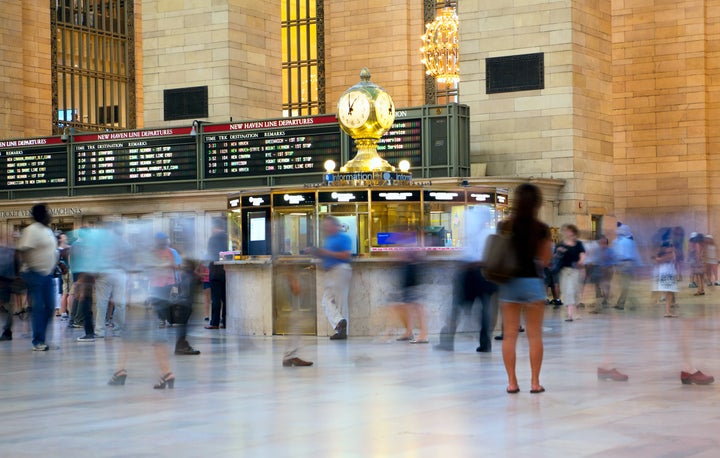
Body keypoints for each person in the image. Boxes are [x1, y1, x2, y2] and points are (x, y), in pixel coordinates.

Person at [497, 184, 552, 394]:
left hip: (509, 283)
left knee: (510, 335)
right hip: (532, 283)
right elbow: (546, 260)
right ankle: (535, 383)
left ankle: (512, 382)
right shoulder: (541, 228)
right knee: (534, 335)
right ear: (537, 203)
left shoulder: (504, 226)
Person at [436, 205, 498, 352]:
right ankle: (485, 342)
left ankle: (448, 340)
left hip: (472, 273)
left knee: (457, 307)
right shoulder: (489, 233)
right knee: (483, 309)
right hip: (483, 275)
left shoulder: (479, 232)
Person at [17, 204, 59, 351]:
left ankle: (42, 339)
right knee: (39, 307)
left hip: (47, 274)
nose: (50, 215)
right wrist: (25, 270)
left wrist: (58, 263)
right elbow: (22, 251)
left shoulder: (47, 230)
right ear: (41, 215)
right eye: (48, 212)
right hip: (34, 273)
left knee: (50, 307)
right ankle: (38, 341)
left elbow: (51, 250)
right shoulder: (31, 230)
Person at [310, 215, 352, 340]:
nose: (325, 228)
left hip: (340, 270)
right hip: (331, 272)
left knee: (340, 302)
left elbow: (345, 254)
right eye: (324, 226)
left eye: (327, 225)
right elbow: (327, 255)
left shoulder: (344, 237)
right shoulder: (328, 239)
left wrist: (327, 252)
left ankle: (342, 331)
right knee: (326, 301)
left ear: (335, 226)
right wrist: (316, 252)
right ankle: (340, 323)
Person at [555, 224, 585, 322]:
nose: (566, 232)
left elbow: (582, 256)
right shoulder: (560, 244)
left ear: (573, 232)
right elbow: (555, 257)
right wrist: (559, 252)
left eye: (568, 230)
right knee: (567, 291)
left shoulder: (578, 244)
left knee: (572, 291)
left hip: (574, 271)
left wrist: (581, 262)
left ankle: (571, 314)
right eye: (565, 231)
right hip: (563, 271)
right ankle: (571, 313)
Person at [612, 224, 641, 310]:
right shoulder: (631, 242)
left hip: (623, 264)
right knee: (625, 285)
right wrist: (639, 266)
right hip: (630, 264)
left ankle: (632, 303)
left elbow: (617, 255)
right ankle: (621, 303)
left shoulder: (618, 242)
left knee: (625, 286)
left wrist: (616, 266)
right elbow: (636, 254)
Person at [205, 220, 227, 330]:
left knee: (216, 298)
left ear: (214, 227)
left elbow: (209, 255)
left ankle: (214, 322)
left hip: (215, 271)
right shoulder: (228, 237)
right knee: (226, 298)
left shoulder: (213, 239)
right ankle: (225, 322)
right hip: (227, 271)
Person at [652, 241, 678, 317]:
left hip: (668, 274)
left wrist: (657, 258)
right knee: (668, 294)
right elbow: (659, 260)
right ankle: (667, 312)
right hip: (667, 275)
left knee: (669, 294)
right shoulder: (668, 254)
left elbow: (659, 260)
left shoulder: (670, 254)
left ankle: (667, 311)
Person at [0, 245, 18, 341]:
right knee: (8, 307)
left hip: (4, 282)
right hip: (8, 281)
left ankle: (7, 331)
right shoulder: (11, 250)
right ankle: (7, 331)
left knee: (7, 307)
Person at [57, 233, 74, 320]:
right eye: (63, 237)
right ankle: (67, 312)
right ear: (60, 239)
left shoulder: (67, 248)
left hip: (64, 272)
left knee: (66, 293)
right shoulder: (60, 250)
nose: (66, 238)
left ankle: (65, 312)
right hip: (66, 272)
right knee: (68, 293)